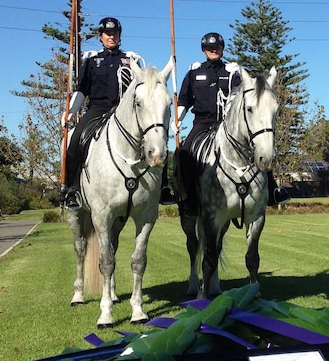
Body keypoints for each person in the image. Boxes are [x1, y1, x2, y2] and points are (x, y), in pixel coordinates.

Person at [62, 17, 177, 209]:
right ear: (101, 37)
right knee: (74, 142)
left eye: (115, 33)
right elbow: (82, 90)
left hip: (124, 113)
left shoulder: (131, 60)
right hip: (97, 110)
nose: (111, 37)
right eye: (107, 34)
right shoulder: (91, 60)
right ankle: (72, 189)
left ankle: (163, 187)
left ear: (119, 35)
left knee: (157, 139)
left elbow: (143, 88)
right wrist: (71, 113)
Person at [175, 32, 290, 216]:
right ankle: (189, 198)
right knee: (184, 153)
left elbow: (242, 95)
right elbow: (184, 100)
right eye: (209, 48)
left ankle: (272, 190)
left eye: (217, 47)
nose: (213, 50)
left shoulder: (232, 72)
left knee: (260, 147)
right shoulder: (194, 73)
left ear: (222, 49)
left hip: (226, 123)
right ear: (203, 50)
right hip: (202, 124)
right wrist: (178, 120)